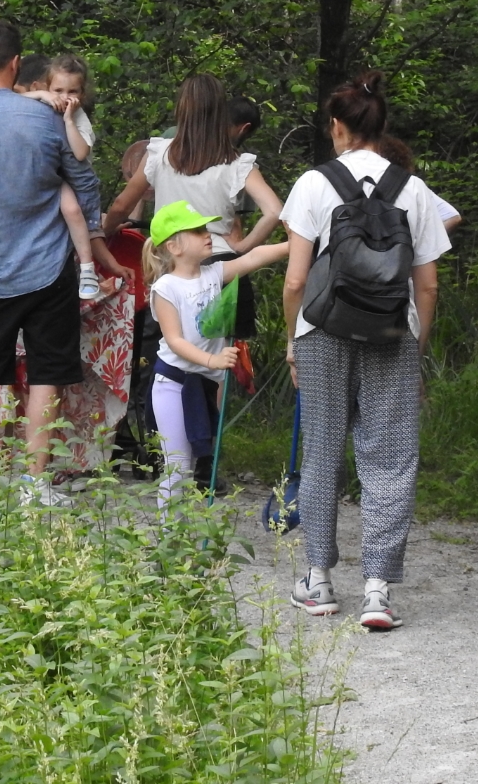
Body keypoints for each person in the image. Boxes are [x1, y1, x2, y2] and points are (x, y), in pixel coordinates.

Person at [280, 71, 451, 630]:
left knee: (322, 451)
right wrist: (415, 348)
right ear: (381, 126)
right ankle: (377, 590)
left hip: (322, 332)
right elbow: (428, 286)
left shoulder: (313, 183)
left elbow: (295, 280)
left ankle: (318, 581)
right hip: (392, 333)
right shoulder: (413, 189)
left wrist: (292, 341)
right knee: (391, 457)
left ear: (337, 126)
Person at [0, 19, 103, 507]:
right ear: (16, 64)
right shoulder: (46, 117)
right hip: (50, 267)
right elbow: (83, 180)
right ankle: (34, 485)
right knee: (47, 376)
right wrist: (90, 231)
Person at [106, 75, 282, 338]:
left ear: (181, 109)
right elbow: (275, 211)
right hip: (221, 267)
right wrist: (242, 248)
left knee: (169, 351)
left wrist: (103, 232)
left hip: (173, 268)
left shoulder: (159, 154)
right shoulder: (237, 163)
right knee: (225, 358)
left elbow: (121, 205)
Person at [143, 200, 287, 508]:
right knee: (177, 467)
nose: (207, 234)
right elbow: (175, 340)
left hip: (204, 383)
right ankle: (170, 535)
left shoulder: (213, 273)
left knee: (192, 463)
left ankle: (182, 530)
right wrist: (213, 360)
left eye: (205, 228)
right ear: (174, 246)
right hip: (173, 384)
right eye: (197, 231)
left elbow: (254, 257)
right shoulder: (165, 287)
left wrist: (296, 245)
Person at [18, 54, 127, 299]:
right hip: (57, 177)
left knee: (75, 213)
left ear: (82, 94)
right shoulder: (43, 104)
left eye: (72, 91)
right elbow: (12, 100)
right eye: (58, 90)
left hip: (80, 185)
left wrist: (68, 120)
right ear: (47, 87)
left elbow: (79, 153)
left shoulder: (79, 119)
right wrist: (41, 95)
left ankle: (88, 269)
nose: (64, 97)